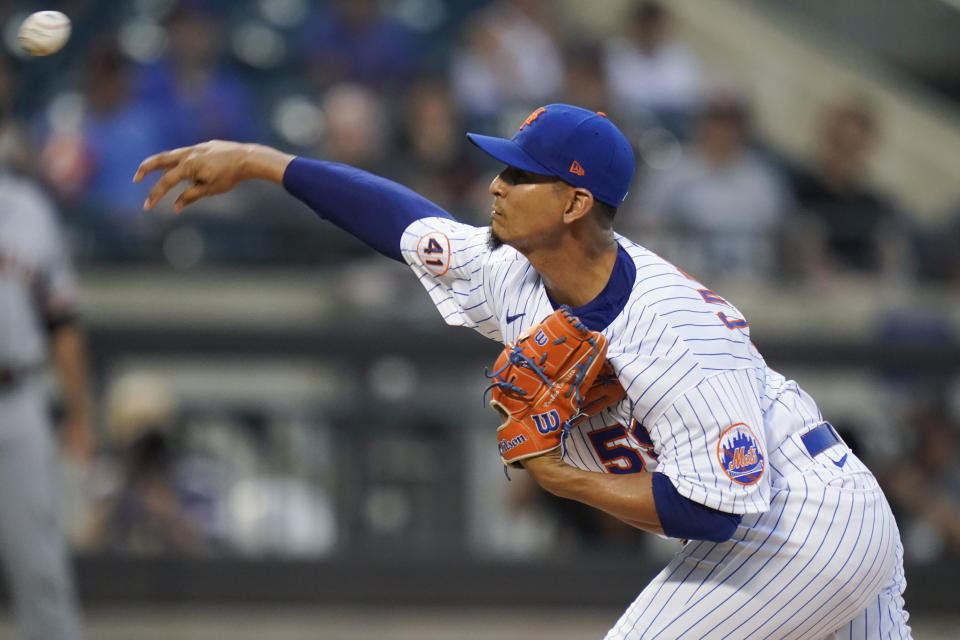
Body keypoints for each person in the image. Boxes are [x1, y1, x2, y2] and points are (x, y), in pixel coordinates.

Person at [135, 103, 911, 638]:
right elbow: (403, 222)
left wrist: (565, 479)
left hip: (801, 522)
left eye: (518, 175)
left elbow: (718, 514)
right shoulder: (514, 269)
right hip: (812, 506)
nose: (496, 186)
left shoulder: (673, 336)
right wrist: (262, 162)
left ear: (575, 203)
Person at [0, 123, 92, 637]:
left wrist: (79, 415)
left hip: (15, 398)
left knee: (40, 568)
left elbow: (62, 321)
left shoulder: (28, 209)